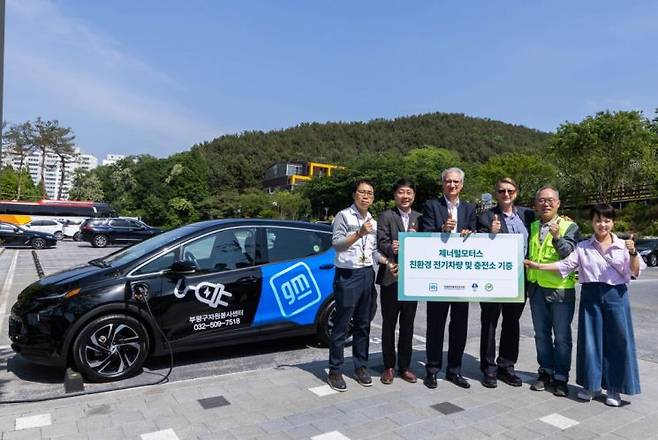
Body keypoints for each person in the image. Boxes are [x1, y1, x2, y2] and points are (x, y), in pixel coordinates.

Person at [525, 204, 643, 407]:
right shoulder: (584, 246)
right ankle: (591, 386)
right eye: (598, 220)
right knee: (590, 341)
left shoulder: (624, 245)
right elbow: (565, 264)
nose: (602, 224)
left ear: (613, 222)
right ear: (592, 222)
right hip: (591, 296)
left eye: (606, 220)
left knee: (617, 343)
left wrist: (633, 253)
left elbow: (634, 271)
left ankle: (614, 389)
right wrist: (538, 266)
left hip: (616, 296)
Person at [327, 179, 391, 392]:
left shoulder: (371, 219)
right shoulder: (343, 216)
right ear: (354, 194)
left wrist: (387, 262)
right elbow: (336, 244)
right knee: (342, 325)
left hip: (366, 274)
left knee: (363, 324)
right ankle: (335, 370)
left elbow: (372, 251)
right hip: (348, 275)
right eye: (362, 192)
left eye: (370, 193)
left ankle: (360, 367)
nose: (366, 196)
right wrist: (359, 233)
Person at [476, 177, 535, 388]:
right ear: (496, 193)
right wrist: (490, 234)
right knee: (490, 323)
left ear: (516, 193)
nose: (506, 194)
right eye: (502, 191)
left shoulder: (528, 215)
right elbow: (477, 245)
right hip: (494, 278)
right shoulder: (485, 216)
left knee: (512, 323)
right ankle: (489, 368)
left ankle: (507, 366)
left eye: (510, 190)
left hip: (519, 279)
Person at [421, 167, 476, 389]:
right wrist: (441, 228)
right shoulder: (432, 206)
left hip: (462, 277)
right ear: (442, 183)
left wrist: (468, 232)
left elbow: (475, 231)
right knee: (435, 325)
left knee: (459, 326)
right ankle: (432, 370)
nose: (452, 185)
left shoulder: (470, 208)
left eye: (456, 182)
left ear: (462, 184)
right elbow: (424, 234)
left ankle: (455, 370)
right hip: (439, 275)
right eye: (448, 181)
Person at [526, 186, 581, 397]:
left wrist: (558, 237)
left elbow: (571, 256)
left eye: (550, 200)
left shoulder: (569, 225)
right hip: (537, 289)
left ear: (558, 203)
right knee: (541, 335)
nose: (546, 204)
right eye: (541, 200)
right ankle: (545, 372)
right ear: (535, 204)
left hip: (560, 291)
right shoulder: (531, 225)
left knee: (562, 337)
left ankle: (561, 377)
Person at [376, 178, 421, 385]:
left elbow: (429, 243)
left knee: (408, 325)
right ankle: (388, 366)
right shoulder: (386, 216)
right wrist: (391, 248)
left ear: (413, 196)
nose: (405, 196)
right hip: (391, 277)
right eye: (401, 192)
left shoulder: (420, 218)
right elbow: (381, 241)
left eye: (409, 193)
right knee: (389, 324)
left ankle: (405, 366)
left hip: (413, 279)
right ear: (395, 196)